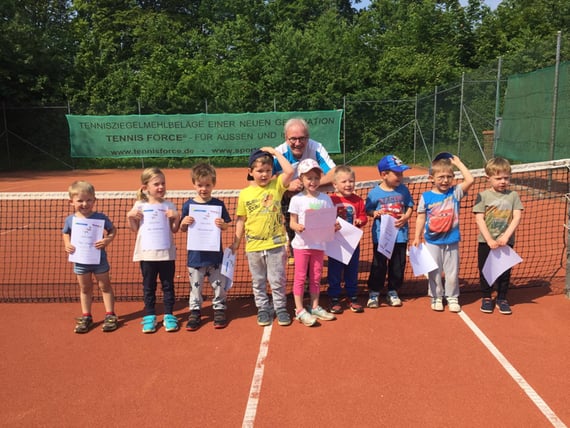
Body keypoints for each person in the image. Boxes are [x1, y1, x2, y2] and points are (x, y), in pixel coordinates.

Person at [231, 147, 294, 327]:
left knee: (277, 279)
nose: (264, 174)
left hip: (276, 244)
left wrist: (275, 153)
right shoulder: (244, 194)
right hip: (253, 246)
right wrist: (236, 241)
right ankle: (262, 308)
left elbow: (290, 171)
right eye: (259, 171)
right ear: (250, 172)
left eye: (268, 170)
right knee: (258, 280)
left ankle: (280, 307)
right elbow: (241, 219)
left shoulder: (277, 186)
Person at [412, 153, 474, 312]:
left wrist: (458, 163)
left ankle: (452, 297)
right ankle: (436, 297)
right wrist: (417, 237)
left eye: (449, 177)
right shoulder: (426, 197)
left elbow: (470, 180)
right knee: (434, 271)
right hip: (432, 241)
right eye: (440, 177)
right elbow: (420, 217)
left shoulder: (455, 193)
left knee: (452, 272)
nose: (445, 180)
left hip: (451, 240)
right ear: (431, 178)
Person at [274, 118, 336, 263]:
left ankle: (311, 252)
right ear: (286, 138)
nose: (297, 143)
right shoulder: (280, 152)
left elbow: (334, 173)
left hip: (311, 193)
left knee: (312, 227)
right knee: (292, 225)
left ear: (308, 138)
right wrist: (286, 186)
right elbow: (266, 180)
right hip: (287, 195)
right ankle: (295, 249)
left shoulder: (316, 147)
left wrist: (308, 184)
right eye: (293, 139)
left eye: (302, 138)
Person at [127, 167, 181, 333]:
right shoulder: (139, 205)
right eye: (156, 184)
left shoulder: (169, 204)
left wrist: (176, 217)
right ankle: (150, 315)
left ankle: (169, 315)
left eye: (163, 183)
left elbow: (174, 229)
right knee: (148, 285)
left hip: (166, 254)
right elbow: (134, 228)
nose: (161, 187)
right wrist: (130, 216)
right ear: (145, 188)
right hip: (147, 254)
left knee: (168, 285)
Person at [180, 163, 232, 330]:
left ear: (213, 184)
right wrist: (184, 223)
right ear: (194, 184)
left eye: (207, 185)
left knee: (218, 284)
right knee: (196, 287)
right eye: (200, 185)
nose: (204, 188)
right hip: (196, 256)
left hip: (215, 256)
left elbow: (226, 226)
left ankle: (219, 308)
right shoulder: (188, 206)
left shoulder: (218, 205)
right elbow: (182, 228)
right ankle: (195, 311)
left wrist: (222, 224)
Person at [62, 180, 118, 334]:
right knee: (85, 288)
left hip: (99, 260)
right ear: (71, 201)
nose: (85, 204)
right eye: (80, 200)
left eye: (88, 200)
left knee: (104, 286)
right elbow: (65, 232)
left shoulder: (100, 217)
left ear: (94, 200)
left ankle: (110, 314)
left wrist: (107, 239)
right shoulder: (70, 220)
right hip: (80, 260)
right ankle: (86, 316)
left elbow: (112, 230)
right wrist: (67, 244)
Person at [289, 158, 339, 326]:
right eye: (309, 178)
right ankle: (299, 310)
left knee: (316, 277)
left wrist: (335, 226)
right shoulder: (296, 199)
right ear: (301, 179)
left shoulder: (326, 199)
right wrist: (298, 227)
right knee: (300, 277)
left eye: (316, 177)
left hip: (319, 245)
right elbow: (292, 223)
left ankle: (315, 306)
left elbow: (330, 222)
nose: (313, 181)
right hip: (302, 246)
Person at [473, 157, 523, 315]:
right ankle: (486, 297)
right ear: (488, 178)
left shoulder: (513, 195)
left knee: (505, 271)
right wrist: (489, 240)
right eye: (498, 178)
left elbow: (517, 217)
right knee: (485, 270)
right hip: (485, 242)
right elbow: (479, 218)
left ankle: (502, 297)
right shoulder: (483, 196)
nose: (503, 181)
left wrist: (505, 238)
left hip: (505, 242)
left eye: (506, 178)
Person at [365, 155, 414, 308]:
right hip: (382, 236)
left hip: (400, 235)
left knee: (398, 265)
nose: (400, 176)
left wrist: (406, 217)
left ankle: (393, 291)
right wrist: (374, 213)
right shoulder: (374, 193)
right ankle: (374, 292)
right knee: (379, 265)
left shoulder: (403, 191)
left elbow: (410, 206)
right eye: (397, 173)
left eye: (401, 173)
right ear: (384, 174)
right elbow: (368, 209)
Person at [327, 165, 368, 314]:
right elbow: (325, 218)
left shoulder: (358, 200)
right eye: (344, 182)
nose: (348, 184)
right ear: (335, 185)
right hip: (335, 242)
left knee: (352, 269)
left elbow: (363, 216)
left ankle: (352, 295)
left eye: (351, 181)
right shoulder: (331, 199)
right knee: (335, 270)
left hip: (352, 242)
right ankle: (334, 297)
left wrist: (361, 221)